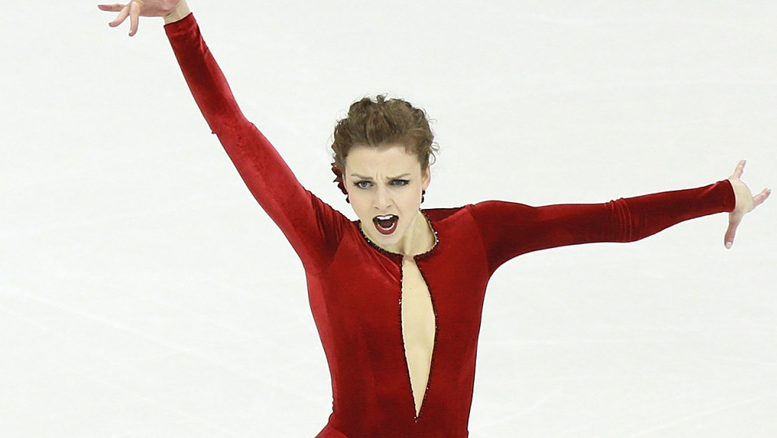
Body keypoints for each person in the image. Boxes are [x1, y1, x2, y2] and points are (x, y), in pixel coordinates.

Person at [98, 1, 770, 437]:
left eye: (398, 182)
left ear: (426, 178)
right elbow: (234, 129)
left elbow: (606, 220)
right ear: (343, 185)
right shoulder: (324, 242)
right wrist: (182, 22)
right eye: (363, 185)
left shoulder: (480, 234)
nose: (382, 202)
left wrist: (719, 195)